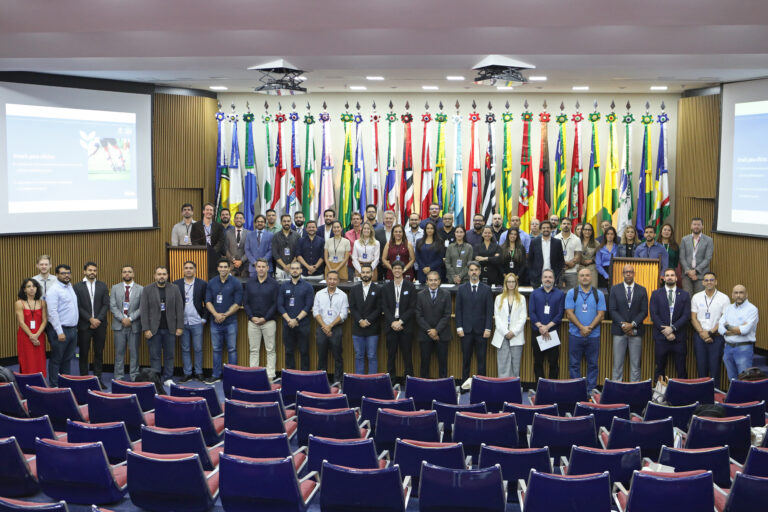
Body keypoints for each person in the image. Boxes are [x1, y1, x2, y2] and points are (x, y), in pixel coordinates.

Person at [564, 268, 606, 391]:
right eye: (582, 275)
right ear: (578, 278)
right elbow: (569, 314)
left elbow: (601, 315)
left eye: (587, 275)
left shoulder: (599, 294)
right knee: (574, 364)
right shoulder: (572, 293)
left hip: (593, 336)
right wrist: (582, 328)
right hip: (575, 335)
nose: (585, 277)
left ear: (591, 277)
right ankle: (576, 390)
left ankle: (590, 391)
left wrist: (590, 328)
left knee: (593, 365)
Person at [140, 266, 184, 383]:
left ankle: (168, 378)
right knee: (155, 356)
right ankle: (156, 379)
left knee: (170, 355)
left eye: (164, 274)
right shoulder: (147, 289)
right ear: (155, 276)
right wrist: (146, 329)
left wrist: (180, 326)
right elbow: (143, 311)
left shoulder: (175, 288)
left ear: (167, 276)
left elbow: (179, 309)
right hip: (153, 330)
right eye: (159, 274)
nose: (161, 276)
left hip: (170, 329)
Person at [608, 265, 649, 382]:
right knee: (617, 365)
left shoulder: (642, 290)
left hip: (636, 332)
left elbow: (644, 311)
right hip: (619, 332)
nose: (628, 274)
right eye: (626, 272)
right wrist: (624, 325)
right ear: (622, 274)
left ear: (634, 273)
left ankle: (634, 393)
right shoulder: (615, 289)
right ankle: (616, 390)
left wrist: (633, 324)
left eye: (630, 272)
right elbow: (612, 310)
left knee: (636, 366)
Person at [204, 259, 242, 383]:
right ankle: (216, 374)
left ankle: (233, 376)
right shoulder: (211, 283)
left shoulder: (236, 283)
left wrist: (224, 315)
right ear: (218, 268)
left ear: (229, 268)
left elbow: (237, 303)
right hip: (215, 322)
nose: (223, 269)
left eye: (226, 267)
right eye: (221, 267)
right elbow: (208, 301)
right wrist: (216, 314)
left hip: (230, 321)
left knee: (232, 349)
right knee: (216, 349)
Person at [649, 268, 691, 380]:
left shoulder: (685, 295)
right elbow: (654, 315)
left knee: (681, 369)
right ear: (664, 278)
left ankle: (682, 396)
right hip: (661, 338)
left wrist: (672, 329)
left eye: (672, 275)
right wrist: (666, 332)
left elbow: (686, 315)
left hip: (679, 338)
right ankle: (658, 395)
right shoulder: (656, 294)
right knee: (659, 368)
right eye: (667, 275)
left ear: (676, 278)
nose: (670, 277)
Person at [455, 262, 493, 383]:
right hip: (465, 331)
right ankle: (464, 385)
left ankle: (482, 386)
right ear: (468, 272)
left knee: (481, 361)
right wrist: (459, 327)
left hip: (481, 331)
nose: (474, 272)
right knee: (466, 360)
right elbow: (458, 310)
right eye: (471, 270)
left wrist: (488, 328)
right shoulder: (461, 289)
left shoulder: (486, 289)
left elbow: (489, 311)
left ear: (480, 271)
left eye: (476, 270)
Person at [381, 261, 417, 384]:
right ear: (392, 270)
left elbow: (412, 307)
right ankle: (391, 380)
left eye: (399, 268)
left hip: (405, 326)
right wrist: (393, 322)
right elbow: (384, 307)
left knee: (407, 355)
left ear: (403, 270)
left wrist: (400, 322)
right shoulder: (386, 287)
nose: (397, 270)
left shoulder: (410, 286)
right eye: (394, 268)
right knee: (391, 355)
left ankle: (409, 381)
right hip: (391, 326)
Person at [690, 272, 730, 382]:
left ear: (716, 282)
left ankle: (715, 396)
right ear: (703, 282)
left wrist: (710, 332)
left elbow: (724, 319)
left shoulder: (724, 298)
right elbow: (693, 318)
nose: (709, 282)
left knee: (715, 368)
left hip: (716, 337)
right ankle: (702, 396)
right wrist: (703, 333)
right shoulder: (696, 297)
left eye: (711, 280)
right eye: (706, 280)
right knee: (701, 367)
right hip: (700, 336)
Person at [243, 259, 279, 378]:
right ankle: (254, 375)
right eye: (259, 266)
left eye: (264, 266)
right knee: (253, 350)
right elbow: (246, 303)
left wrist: (265, 318)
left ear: (268, 268)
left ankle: (270, 376)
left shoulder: (274, 284)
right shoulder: (249, 283)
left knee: (270, 350)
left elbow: (275, 304)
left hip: (269, 321)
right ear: (255, 268)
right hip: (253, 322)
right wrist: (252, 317)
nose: (261, 269)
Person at [73, 262, 109, 379]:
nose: (92, 272)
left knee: (98, 353)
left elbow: (105, 304)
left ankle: (98, 379)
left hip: (100, 325)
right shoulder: (77, 287)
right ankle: (84, 378)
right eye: (90, 270)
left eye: (94, 270)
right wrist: (90, 319)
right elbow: (77, 306)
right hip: (84, 325)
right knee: (83, 353)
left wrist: (98, 319)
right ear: (84, 271)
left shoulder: (102, 285)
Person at [278, 261, 315, 370]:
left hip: (303, 324)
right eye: (292, 268)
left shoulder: (308, 286)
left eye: (297, 268)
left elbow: (308, 306)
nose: (294, 270)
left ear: (301, 270)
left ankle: (305, 377)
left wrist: (296, 319)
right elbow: (279, 305)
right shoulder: (284, 286)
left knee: (304, 352)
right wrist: (289, 320)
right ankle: (290, 376)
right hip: (287, 324)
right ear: (289, 271)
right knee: (288, 352)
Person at [529, 269, 565, 381]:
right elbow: (532, 312)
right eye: (545, 277)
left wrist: (547, 327)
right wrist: (541, 327)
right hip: (537, 332)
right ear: (542, 279)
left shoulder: (560, 294)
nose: (548, 279)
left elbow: (560, 314)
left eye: (550, 277)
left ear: (554, 280)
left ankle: (552, 388)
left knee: (553, 363)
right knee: (538, 362)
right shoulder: (535, 293)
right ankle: (540, 388)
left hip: (552, 333)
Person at [313, 270, 349, 383]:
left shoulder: (343, 295)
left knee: (338, 356)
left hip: (336, 328)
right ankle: (321, 381)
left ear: (338, 281)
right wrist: (325, 326)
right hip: (321, 328)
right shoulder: (319, 294)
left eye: (334, 279)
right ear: (326, 280)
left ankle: (338, 380)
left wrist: (330, 326)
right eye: (330, 279)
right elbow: (315, 311)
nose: (332, 281)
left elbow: (344, 314)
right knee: (321, 356)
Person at [46, 264, 79, 386]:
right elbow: (52, 313)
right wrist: (59, 331)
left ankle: (65, 384)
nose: (66, 275)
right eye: (63, 273)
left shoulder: (70, 287)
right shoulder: (53, 290)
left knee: (67, 359)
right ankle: (54, 386)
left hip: (72, 330)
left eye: (68, 273)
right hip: (60, 330)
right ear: (57, 275)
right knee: (56, 360)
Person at [173, 261, 206, 382]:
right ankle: (187, 373)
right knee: (185, 348)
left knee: (198, 348)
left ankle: (199, 372)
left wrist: (204, 318)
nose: (188, 270)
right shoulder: (176, 284)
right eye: (186, 268)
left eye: (191, 268)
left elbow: (207, 302)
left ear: (195, 270)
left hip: (197, 321)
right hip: (182, 322)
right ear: (183, 270)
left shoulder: (202, 284)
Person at [718, 284, 759, 381]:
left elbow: (745, 330)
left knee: (744, 380)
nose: (738, 295)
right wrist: (737, 329)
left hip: (743, 348)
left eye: (741, 293)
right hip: (728, 348)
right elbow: (720, 328)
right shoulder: (728, 308)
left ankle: (745, 397)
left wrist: (727, 327)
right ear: (732, 295)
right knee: (732, 380)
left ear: (746, 294)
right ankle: (735, 397)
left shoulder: (752, 309)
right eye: (736, 293)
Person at [110, 265, 143, 382]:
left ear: (133, 274)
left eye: (129, 272)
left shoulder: (141, 289)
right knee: (119, 353)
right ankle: (119, 377)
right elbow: (112, 306)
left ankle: (134, 376)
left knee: (134, 353)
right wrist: (123, 318)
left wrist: (130, 318)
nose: (127, 274)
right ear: (122, 274)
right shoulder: (115, 288)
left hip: (134, 326)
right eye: (124, 272)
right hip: (119, 325)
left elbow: (142, 307)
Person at [416, 271, 451, 378]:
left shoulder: (446, 294)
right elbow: (418, 316)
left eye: (435, 280)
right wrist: (430, 331)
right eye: (430, 280)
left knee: (443, 363)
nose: (433, 282)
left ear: (439, 281)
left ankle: (444, 387)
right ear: (426, 281)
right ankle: (423, 387)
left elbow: (447, 315)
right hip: (425, 334)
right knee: (424, 363)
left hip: (442, 334)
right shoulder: (420, 295)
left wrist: (436, 330)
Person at [492, 273, 528, 378]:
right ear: (505, 283)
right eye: (509, 282)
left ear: (516, 284)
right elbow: (497, 317)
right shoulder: (499, 298)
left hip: (516, 336)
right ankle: (502, 390)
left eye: (513, 282)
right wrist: (506, 332)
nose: (511, 284)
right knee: (503, 366)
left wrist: (513, 332)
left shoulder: (521, 298)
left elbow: (523, 317)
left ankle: (513, 390)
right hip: (502, 336)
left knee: (515, 366)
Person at [349, 264, 381, 374]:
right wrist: (360, 320)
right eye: (363, 272)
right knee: (359, 356)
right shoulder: (354, 289)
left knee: (372, 356)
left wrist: (367, 321)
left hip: (372, 328)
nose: (365, 274)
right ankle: (360, 381)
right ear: (360, 273)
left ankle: (372, 382)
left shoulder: (378, 289)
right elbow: (352, 307)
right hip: (357, 328)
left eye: (368, 272)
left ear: (372, 274)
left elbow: (379, 308)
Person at [15, 279, 47, 375]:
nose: (32, 288)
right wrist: (32, 336)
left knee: (39, 359)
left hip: (39, 334)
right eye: (29, 286)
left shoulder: (42, 303)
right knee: (27, 359)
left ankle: (40, 381)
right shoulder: (19, 303)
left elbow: (44, 320)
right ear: (24, 289)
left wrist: (36, 335)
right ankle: (26, 381)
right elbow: (21, 322)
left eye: (34, 286)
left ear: (37, 288)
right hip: (25, 335)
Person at [191, 202, 226, 278]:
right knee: (201, 275)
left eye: (211, 210)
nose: (209, 212)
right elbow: (194, 240)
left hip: (215, 256)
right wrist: (202, 250)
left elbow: (221, 241)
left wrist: (212, 251)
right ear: (203, 211)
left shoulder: (219, 226)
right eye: (207, 210)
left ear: (213, 213)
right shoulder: (195, 225)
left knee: (214, 277)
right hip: (200, 255)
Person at [679, 217, 713, 295]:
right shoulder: (684, 239)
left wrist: (695, 271)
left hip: (701, 275)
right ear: (691, 226)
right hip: (687, 275)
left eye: (698, 224)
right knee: (687, 297)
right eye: (694, 224)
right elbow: (682, 257)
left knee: (700, 297)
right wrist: (689, 271)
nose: (696, 226)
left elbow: (707, 259)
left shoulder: (709, 240)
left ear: (702, 226)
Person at [527, 220, 565, 288]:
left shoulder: (557, 242)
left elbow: (561, 261)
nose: (546, 229)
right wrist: (532, 275)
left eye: (548, 228)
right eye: (544, 228)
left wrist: (557, 275)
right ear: (541, 230)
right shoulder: (534, 242)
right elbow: (530, 260)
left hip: (553, 278)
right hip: (537, 278)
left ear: (551, 229)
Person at [556, 218, 582, 290]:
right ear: (560, 225)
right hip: (559, 271)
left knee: (573, 294)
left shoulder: (576, 239)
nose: (566, 225)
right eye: (564, 224)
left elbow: (578, 255)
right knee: (558, 293)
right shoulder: (555, 238)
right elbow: (554, 255)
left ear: (571, 226)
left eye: (568, 224)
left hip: (572, 271)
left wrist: (570, 264)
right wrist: (565, 263)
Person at [272, 214, 300, 280]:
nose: (286, 223)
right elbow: (275, 253)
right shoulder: (276, 236)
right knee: (280, 288)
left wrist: (291, 265)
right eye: (284, 221)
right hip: (280, 268)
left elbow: (298, 252)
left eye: (288, 221)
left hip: (294, 268)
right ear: (281, 222)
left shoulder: (297, 235)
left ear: (291, 222)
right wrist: (284, 266)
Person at [225, 211, 249, 278]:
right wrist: (233, 260)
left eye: (241, 218)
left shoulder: (249, 233)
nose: (238, 220)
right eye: (237, 218)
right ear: (234, 220)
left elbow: (250, 249)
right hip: (231, 266)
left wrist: (241, 260)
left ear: (244, 220)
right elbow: (226, 248)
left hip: (245, 266)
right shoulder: (228, 233)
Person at [375, 210, 397, 279]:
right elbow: (375, 249)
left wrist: (391, 261)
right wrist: (383, 261)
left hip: (395, 264)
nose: (388, 220)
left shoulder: (398, 232)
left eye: (390, 218)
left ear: (394, 219)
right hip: (380, 265)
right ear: (383, 219)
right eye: (386, 218)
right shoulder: (377, 232)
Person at [578, 223, 599, 289]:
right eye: (585, 229)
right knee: (579, 289)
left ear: (592, 231)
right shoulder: (577, 241)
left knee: (593, 288)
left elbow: (600, 257)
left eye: (589, 230)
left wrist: (592, 260)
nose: (587, 231)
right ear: (582, 231)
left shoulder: (596, 243)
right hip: (579, 266)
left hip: (592, 267)